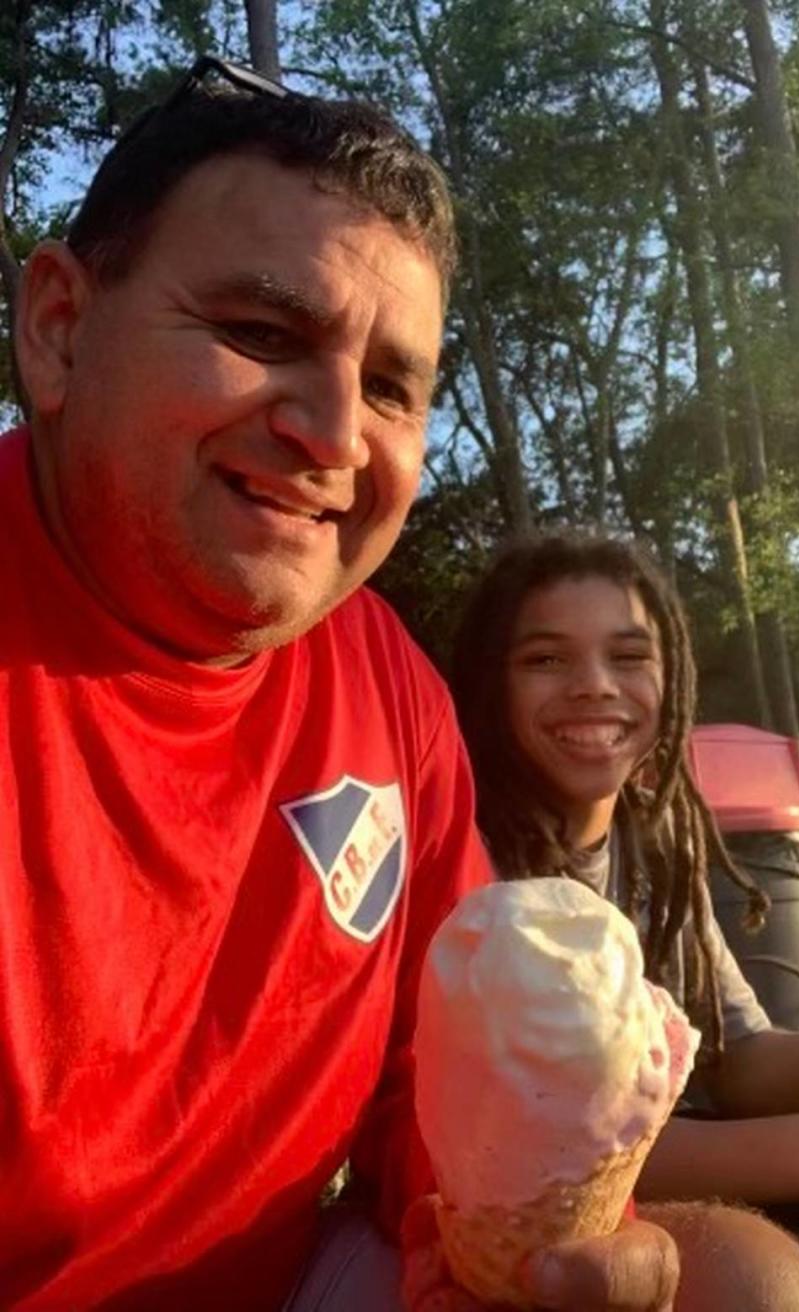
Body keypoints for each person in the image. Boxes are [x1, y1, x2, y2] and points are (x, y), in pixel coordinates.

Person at [1, 55, 704, 1312]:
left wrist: (498, 1235)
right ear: (59, 329)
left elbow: (432, 1090)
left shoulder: (389, 684)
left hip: (294, 1279)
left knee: (745, 1281)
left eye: (391, 387)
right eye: (262, 334)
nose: (333, 435)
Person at [448, 531, 799, 1312]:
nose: (594, 686)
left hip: (718, 1163)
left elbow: (739, 1059)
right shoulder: (468, 863)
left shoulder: (662, 842)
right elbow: (543, 1149)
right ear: (492, 683)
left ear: (672, 677)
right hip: (570, 1226)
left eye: (628, 656)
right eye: (545, 659)